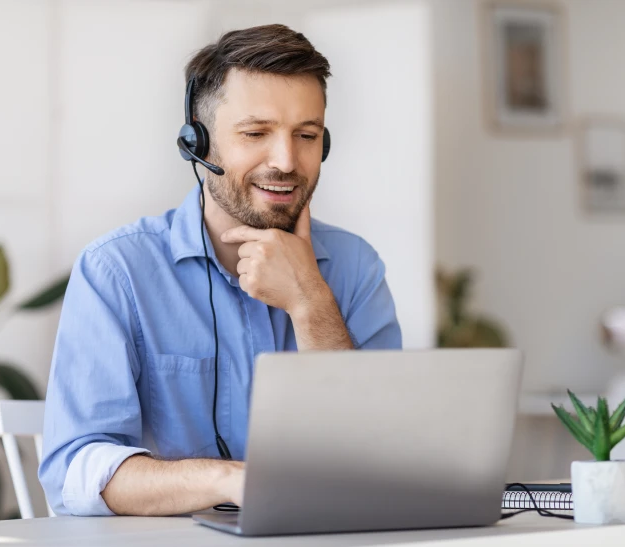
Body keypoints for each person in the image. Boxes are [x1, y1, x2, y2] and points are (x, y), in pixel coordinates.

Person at [38, 24, 402, 517]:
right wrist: (228, 480)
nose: (286, 160)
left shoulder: (356, 267)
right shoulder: (117, 271)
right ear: (197, 141)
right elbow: (75, 471)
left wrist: (310, 301)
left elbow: (385, 456)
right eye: (255, 133)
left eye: (307, 135)